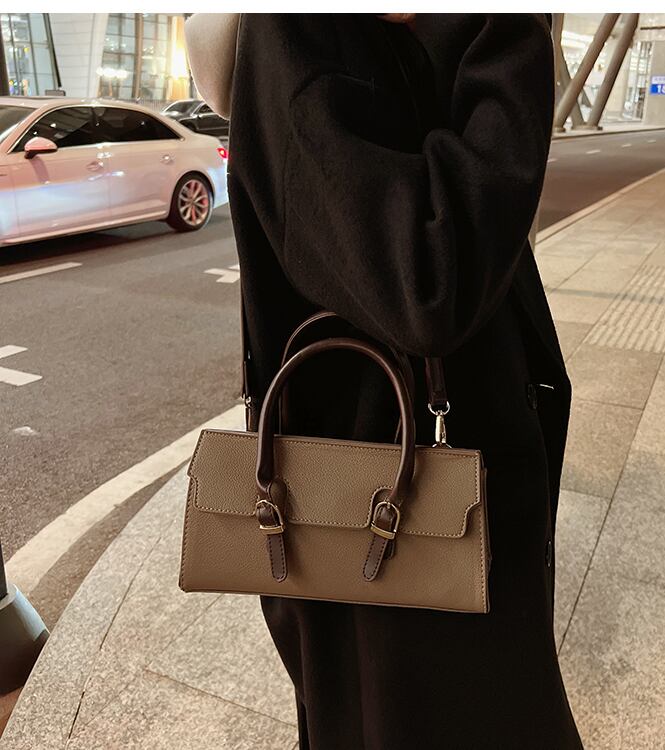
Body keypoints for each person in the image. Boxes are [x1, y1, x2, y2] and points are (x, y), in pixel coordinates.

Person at [224, 13, 582, 749]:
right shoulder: (300, 34)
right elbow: (429, 282)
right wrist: (505, 31)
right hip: (385, 532)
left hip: (424, 506)